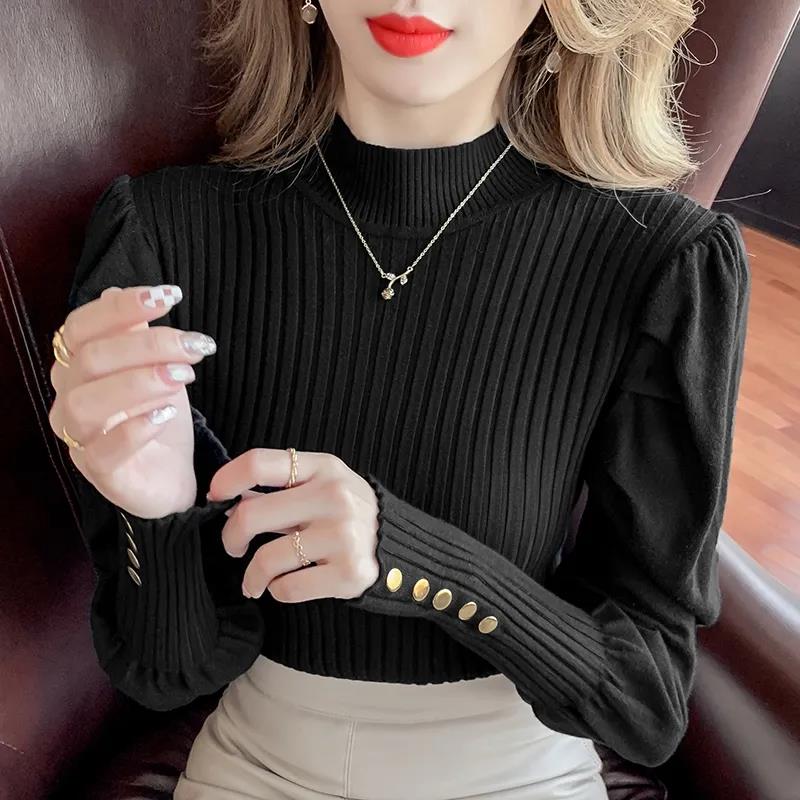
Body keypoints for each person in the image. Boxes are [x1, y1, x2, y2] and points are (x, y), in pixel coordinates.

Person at [48, 1, 751, 798]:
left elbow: (647, 702)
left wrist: (413, 562)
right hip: (254, 770)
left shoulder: (658, 261)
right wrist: (155, 512)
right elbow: (166, 672)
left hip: (520, 779)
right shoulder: (161, 232)